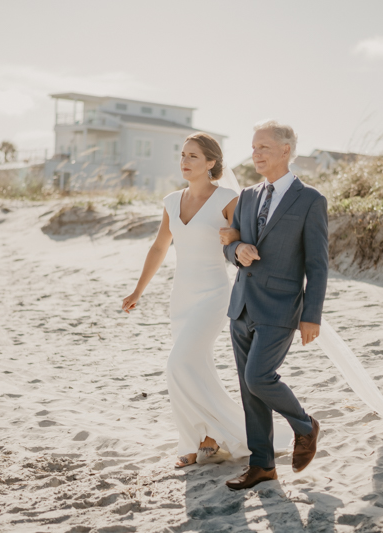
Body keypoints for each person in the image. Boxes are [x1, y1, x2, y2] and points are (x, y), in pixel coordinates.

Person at [122, 133, 257, 468]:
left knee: (177, 363)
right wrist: (138, 290)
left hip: (214, 294)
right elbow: (159, 247)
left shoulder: (228, 199)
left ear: (211, 162)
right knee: (195, 367)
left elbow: (243, 244)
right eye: (183, 155)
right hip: (180, 296)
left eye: (193, 156)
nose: (185, 161)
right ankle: (203, 441)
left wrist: (236, 239)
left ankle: (204, 438)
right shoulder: (171, 201)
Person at [219, 120, 329, 490]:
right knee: (249, 391)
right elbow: (229, 244)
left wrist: (311, 316)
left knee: (258, 377)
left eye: (263, 147)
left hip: (281, 307)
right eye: (253, 147)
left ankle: (304, 425)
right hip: (242, 306)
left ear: (286, 150)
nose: (256, 154)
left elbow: (317, 264)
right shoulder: (248, 196)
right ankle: (262, 465)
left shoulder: (311, 200)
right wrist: (237, 250)